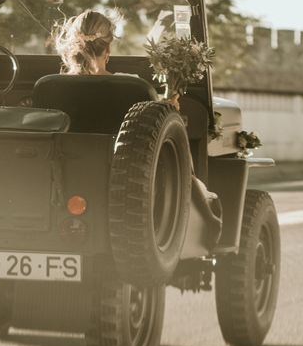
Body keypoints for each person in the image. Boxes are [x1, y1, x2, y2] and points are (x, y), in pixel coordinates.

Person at [52, 11, 217, 211]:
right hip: (126, 185)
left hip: (62, 179)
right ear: (108, 47)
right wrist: (168, 112)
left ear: (72, 46)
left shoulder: (51, 86)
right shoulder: (132, 87)